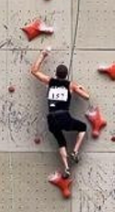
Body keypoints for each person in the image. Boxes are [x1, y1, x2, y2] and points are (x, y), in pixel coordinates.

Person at [30, 47, 90, 179]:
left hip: (51, 119)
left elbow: (34, 71)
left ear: (56, 73)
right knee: (83, 127)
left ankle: (67, 167)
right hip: (64, 116)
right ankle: (75, 151)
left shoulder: (50, 81)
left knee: (60, 141)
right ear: (66, 75)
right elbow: (86, 97)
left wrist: (43, 55)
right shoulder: (70, 85)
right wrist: (80, 88)